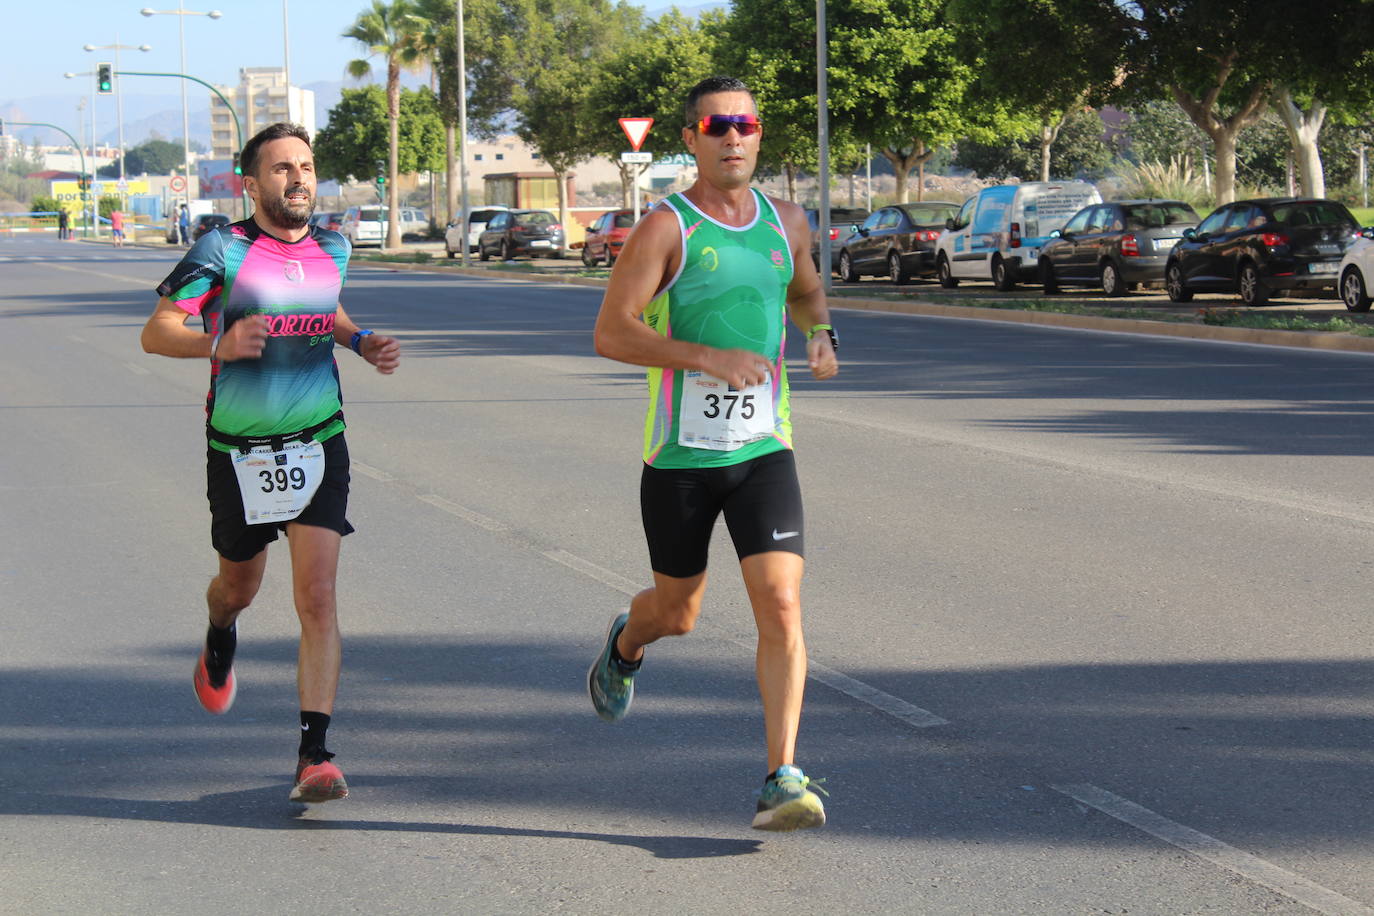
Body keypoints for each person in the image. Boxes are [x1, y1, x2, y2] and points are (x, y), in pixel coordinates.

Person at [589, 76, 840, 831]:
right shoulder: (667, 228)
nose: (734, 136)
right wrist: (704, 357)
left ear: (761, 135)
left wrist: (821, 333)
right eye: (717, 125)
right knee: (678, 612)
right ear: (692, 139)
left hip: (764, 447)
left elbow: (803, 292)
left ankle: (782, 776)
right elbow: (611, 331)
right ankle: (626, 644)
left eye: (746, 124)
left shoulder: (787, 221)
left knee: (783, 605)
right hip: (680, 459)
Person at [140, 122, 401, 804]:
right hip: (240, 453)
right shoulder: (222, 250)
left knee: (316, 597)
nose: (299, 178)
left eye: (307, 166)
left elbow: (324, 305)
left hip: (319, 441)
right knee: (240, 588)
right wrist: (215, 345)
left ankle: (315, 754)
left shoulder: (334, 246)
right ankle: (220, 631)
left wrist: (360, 339)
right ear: (251, 184)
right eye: (283, 168)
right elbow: (158, 330)